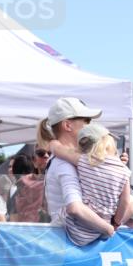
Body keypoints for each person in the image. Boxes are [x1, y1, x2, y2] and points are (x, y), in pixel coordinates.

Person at [66, 124, 133, 246]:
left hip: (74, 234)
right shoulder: (120, 176)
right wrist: (112, 226)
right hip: (96, 239)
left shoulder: (80, 164)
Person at [37, 97, 116, 238]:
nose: (90, 125)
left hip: (69, 241)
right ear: (67, 125)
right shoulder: (64, 164)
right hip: (71, 243)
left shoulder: (64, 159)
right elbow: (75, 208)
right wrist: (109, 229)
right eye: (86, 120)